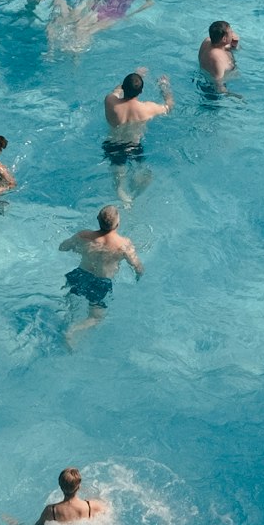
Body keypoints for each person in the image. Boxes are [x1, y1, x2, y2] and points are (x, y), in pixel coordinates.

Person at [60, 204, 143, 343]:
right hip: (100, 283)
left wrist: (78, 249)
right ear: (118, 224)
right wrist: (138, 276)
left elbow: (63, 247)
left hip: (79, 275)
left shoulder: (84, 235)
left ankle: (67, 322)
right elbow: (138, 267)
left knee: (71, 305)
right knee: (96, 318)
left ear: (97, 218)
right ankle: (73, 330)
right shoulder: (123, 244)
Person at [103, 69, 173, 204]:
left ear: (123, 87)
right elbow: (169, 106)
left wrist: (136, 75)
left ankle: (123, 196)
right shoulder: (147, 108)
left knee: (119, 182)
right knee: (145, 175)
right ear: (141, 92)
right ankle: (134, 196)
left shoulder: (110, 101)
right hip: (134, 146)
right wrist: (164, 87)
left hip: (112, 145)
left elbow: (117, 91)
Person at [34, 467, 107, 524]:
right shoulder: (91, 506)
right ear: (79, 487)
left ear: (60, 486)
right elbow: (107, 513)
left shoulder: (51, 510)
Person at [198, 21, 239, 95]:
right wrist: (234, 96)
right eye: (231, 32)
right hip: (211, 91)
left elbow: (224, 47)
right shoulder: (217, 58)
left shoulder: (207, 41)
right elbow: (218, 85)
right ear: (224, 39)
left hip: (203, 78)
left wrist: (234, 45)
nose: (233, 34)